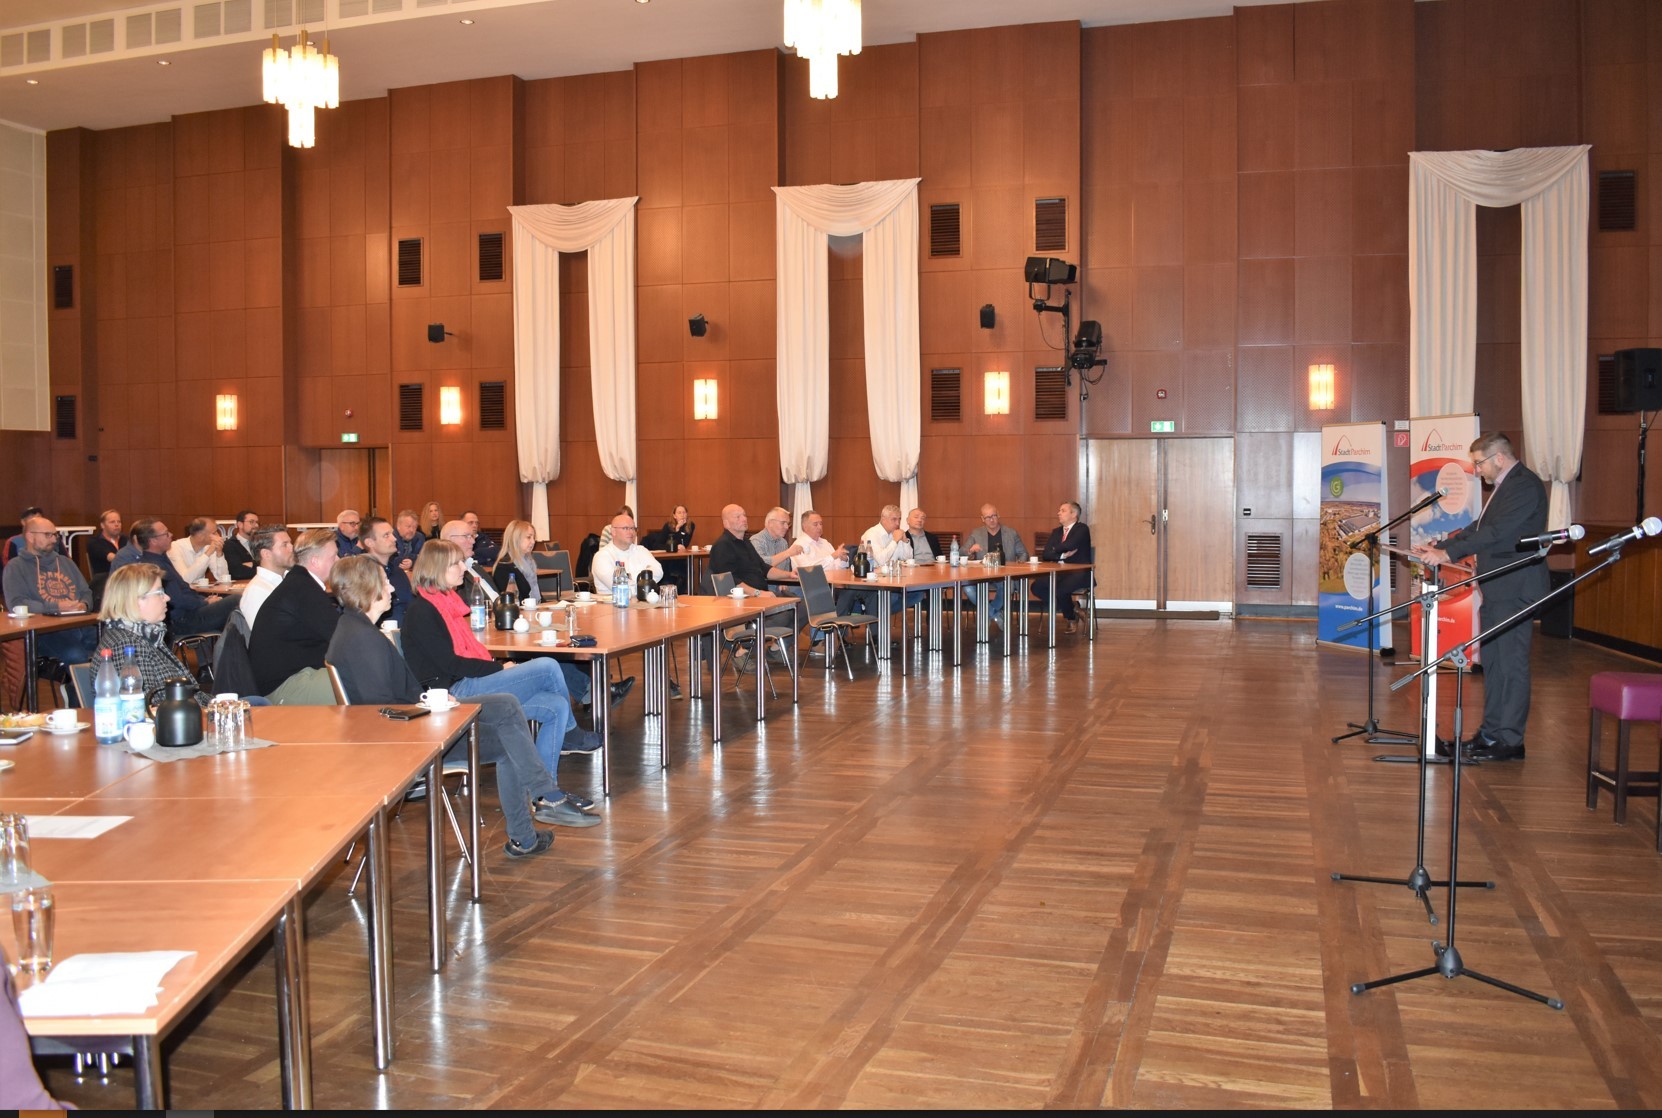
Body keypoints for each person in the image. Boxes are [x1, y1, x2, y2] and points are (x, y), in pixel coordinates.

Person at [325, 555, 566, 857]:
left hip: (417, 721)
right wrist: (435, 708)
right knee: (507, 709)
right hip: (411, 739)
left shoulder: (355, 629)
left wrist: (435, 704)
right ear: (368, 587)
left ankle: (532, 823)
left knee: (507, 719)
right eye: (384, 581)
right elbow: (381, 712)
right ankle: (545, 798)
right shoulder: (362, 640)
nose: (392, 587)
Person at [401, 540, 602, 819]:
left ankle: (545, 794)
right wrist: (499, 669)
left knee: (556, 705)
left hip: (469, 680)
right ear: (438, 568)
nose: (464, 567)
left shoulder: (447, 603)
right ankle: (571, 735)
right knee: (547, 665)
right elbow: (450, 664)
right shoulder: (423, 611)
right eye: (457, 563)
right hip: (454, 692)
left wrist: (497, 667)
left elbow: (463, 657)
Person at [1414, 432, 1549, 763]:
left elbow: (1498, 533)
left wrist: (1449, 555)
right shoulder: (1508, 485)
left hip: (1516, 588)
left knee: (1511, 664)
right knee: (1495, 663)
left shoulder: (1525, 485)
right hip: (1498, 587)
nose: (1476, 471)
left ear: (1498, 458)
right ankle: (1490, 734)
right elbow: (1481, 526)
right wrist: (1443, 545)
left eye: (1479, 463)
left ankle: (1510, 741)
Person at [247, 527, 341, 701]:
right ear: (315, 561)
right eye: (333, 556)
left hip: (290, 674)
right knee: (357, 681)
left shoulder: (300, 583)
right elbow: (339, 637)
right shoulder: (304, 590)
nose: (338, 560)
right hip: (284, 685)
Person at [109, 518, 240, 637]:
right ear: (153, 541)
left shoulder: (161, 558)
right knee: (237, 599)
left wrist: (206, 599)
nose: (171, 535)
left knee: (230, 608)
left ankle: (216, 658)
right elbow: (178, 599)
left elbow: (184, 588)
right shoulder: (153, 566)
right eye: (166, 534)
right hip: (182, 620)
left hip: (190, 611)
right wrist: (205, 602)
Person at [3, 515, 99, 665]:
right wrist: (56, 607)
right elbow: (17, 603)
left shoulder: (66, 562)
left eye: (55, 535)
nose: (54, 540)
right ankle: (73, 688)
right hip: (44, 632)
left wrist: (84, 605)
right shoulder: (15, 567)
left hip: (80, 624)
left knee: (116, 646)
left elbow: (86, 592)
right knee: (76, 655)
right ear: (30, 536)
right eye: (48, 535)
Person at [95, 564, 201, 698]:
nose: (167, 598)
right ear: (135, 600)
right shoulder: (126, 645)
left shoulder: (147, 635)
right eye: (160, 592)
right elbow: (148, 705)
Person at [1031, 501, 1094, 633]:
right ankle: (1073, 608)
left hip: (1080, 572)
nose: (1058, 513)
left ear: (1074, 514)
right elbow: (1046, 554)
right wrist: (1062, 556)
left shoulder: (1082, 529)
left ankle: (1070, 618)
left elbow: (1070, 544)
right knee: (1037, 586)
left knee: (1060, 590)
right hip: (1060, 572)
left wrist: (1055, 549)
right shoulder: (1056, 532)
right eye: (1059, 510)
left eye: (1063, 510)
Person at [962, 504, 1028, 626]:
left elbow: (1023, 553)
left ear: (999, 515)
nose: (991, 520)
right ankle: (995, 614)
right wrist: (970, 550)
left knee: (1008, 586)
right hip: (981, 575)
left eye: (994, 516)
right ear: (982, 519)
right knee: (967, 587)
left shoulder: (1011, 533)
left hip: (1004, 575)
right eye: (987, 517)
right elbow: (962, 552)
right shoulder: (976, 533)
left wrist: (1019, 564)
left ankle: (988, 614)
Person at [239, 524, 294, 629]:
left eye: (290, 543)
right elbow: (265, 636)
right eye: (285, 544)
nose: (292, 548)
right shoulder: (257, 591)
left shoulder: (288, 581)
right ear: (266, 554)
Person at [360, 516, 411, 625]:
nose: (394, 539)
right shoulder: (363, 576)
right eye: (386, 535)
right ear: (370, 543)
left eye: (392, 534)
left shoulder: (398, 572)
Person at [167, 516, 231, 585]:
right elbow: (185, 580)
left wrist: (219, 554)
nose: (218, 536)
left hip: (201, 593)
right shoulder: (175, 547)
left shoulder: (209, 546)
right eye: (214, 533)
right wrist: (208, 553)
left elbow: (222, 578)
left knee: (236, 596)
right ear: (200, 536)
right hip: (181, 593)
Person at [491, 519, 544, 600]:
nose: (533, 542)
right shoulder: (504, 566)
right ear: (515, 539)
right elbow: (511, 601)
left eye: (534, 538)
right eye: (529, 537)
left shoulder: (529, 563)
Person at [223, 509, 260, 580]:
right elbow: (238, 572)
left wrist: (252, 564)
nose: (256, 525)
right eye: (252, 522)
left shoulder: (261, 543)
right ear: (240, 524)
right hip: (240, 588)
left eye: (257, 522)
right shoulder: (229, 545)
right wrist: (258, 566)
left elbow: (270, 566)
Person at [87, 507, 125, 576]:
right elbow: (113, 558)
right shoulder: (95, 542)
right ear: (102, 525)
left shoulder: (126, 540)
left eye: (119, 522)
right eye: (112, 522)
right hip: (105, 579)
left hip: (126, 577)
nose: (117, 524)